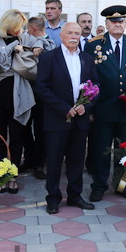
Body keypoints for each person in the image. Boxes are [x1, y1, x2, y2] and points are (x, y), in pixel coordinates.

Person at [85, 6, 126, 202]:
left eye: (121, 21)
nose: (117, 24)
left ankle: (123, 184)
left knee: (125, 149)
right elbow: (87, 78)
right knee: (101, 150)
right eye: (113, 21)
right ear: (107, 24)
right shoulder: (93, 45)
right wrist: (89, 107)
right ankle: (99, 185)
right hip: (102, 109)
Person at [35, 23, 98, 213]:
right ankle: (53, 198)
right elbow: (42, 88)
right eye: (69, 33)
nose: (74, 36)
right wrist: (64, 109)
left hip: (80, 119)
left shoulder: (87, 58)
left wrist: (85, 106)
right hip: (57, 118)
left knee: (77, 160)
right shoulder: (48, 58)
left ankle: (75, 195)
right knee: (54, 161)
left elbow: (95, 85)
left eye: (77, 34)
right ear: (61, 36)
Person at [0, 9, 43, 194]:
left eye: (22, 27)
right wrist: (11, 47)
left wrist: (37, 45)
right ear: (9, 25)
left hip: (20, 93)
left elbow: (44, 42)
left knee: (17, 136)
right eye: (17, 27)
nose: (20, 31)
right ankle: (0, 175)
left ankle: (13, 176)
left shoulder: (25, 38)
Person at [23, 16, 56, 179]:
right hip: (25, 91)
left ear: (33, 29)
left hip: (42, 95)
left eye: (27, 29)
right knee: (24, 127)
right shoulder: (26, 42)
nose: (26, 32)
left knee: (41, 130)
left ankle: (39, 163)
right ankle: (29, 159)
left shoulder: (50, 45)